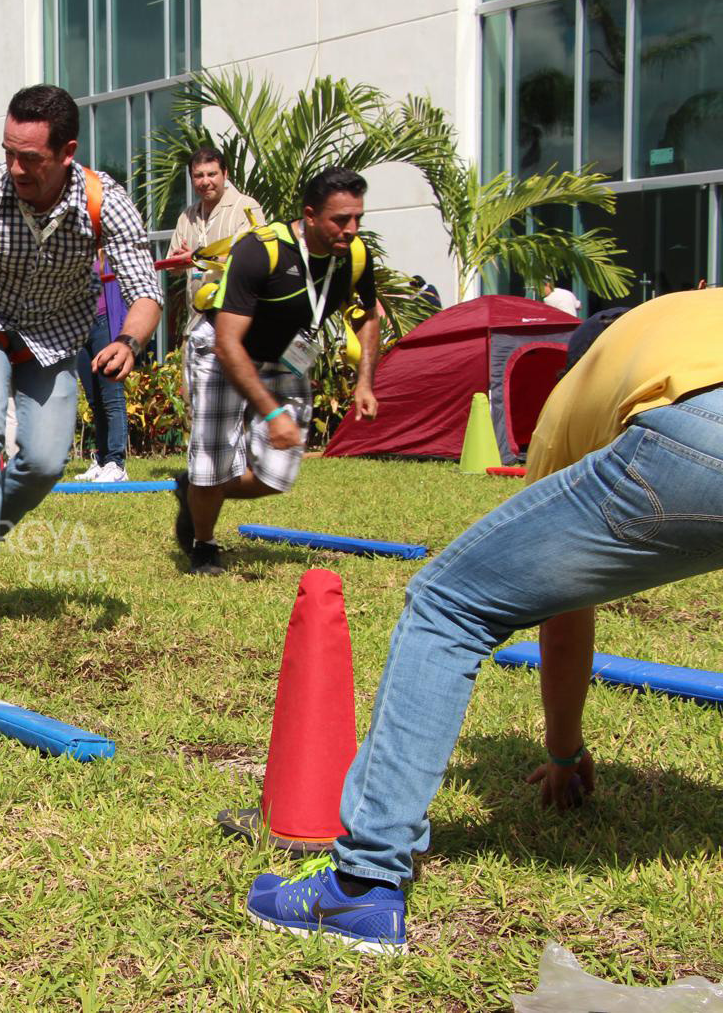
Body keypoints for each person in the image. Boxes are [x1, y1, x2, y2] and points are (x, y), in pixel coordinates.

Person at [245, 288, 723, 956]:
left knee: (448, 604)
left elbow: (561, 610)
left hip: (701, 432)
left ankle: (360, 886)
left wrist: (562, 750)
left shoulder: (577, 389)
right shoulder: (691, 315)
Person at [0, 84, 162, 642]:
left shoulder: (103, 200)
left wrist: (130, 341)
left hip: (55, 334)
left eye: (30, 158)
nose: (15, 167)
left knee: (46, 461)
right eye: (8, 152)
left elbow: (147, 291)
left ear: (66, 152)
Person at [174, 167, 381, 576]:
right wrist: (271, 414)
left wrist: (365, 382)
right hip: (222, 352)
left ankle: (194, 489)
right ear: (309, 215)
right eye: (340, 220)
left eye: (357, 218)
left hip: (285, 356)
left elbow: (368, 316)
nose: (351, 229)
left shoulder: (353, 257)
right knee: (214, 459)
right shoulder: (261, 251)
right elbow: (227, 344)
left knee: (276, 475)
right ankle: (204, 545)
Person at [165, 148, 265, 332]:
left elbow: (253, 260)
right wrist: (178, 262)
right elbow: (172, 268)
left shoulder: (247, 208)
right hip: (196, 325)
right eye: (198, 175)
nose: (205, 182)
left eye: (212, 174)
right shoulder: (186, 216)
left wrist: (198, 259)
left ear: (225, 174)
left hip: (238, 327)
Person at [72, 256, 131, 482]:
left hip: (105, 322)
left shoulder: (111, 251)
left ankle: (116, 463)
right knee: (94, 398)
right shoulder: (76, 246)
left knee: (112, 397)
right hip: (80, 326)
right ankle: (103, 459)